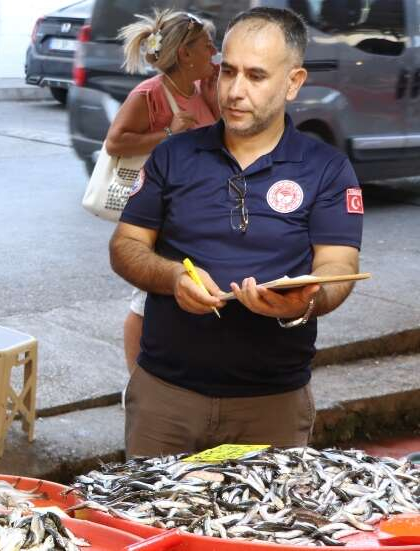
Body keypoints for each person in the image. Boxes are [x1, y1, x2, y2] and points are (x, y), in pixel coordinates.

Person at [109, 7, 363, 456]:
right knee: (152, 504)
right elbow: (126, 245)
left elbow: (339, 264)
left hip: (272, 404)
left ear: (293, 82)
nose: (234, 90)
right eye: (228, 71)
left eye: (256, 76)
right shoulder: (174, 155)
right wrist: (173, 277)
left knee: (261, 507)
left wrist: (306, 301)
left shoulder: (327, 169)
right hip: (166, 399)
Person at [105, 9, 220, 377]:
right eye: (207, 45)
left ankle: (166, 372)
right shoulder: (150, 94)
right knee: (145, 298)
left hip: (196, 208)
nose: (214, 51)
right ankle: (136, 382)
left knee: (181, 289)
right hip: (160, 209)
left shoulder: (199, 90)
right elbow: (114, 142)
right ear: (185, 54)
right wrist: (169, 133)